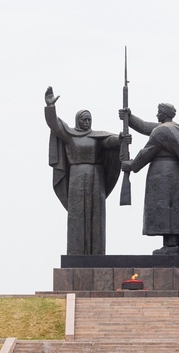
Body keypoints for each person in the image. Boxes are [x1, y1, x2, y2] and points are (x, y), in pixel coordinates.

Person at [120, 103, 179, 255]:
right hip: (173, 174)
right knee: (171, 208)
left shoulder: (162, 132)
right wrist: (129, 118)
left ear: (164, 114)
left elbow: (147, 152)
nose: (157, 115)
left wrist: (131, 165)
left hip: (165, 175)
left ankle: (171, 246)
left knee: (167, 209)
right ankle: (171, 245)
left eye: (158, 112)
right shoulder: (173, 129)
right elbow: (146, 127)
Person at [45, 86, 122, 255]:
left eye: (89, 120)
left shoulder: (97, 136)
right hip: (77, 177)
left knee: (97, 215)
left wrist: (120, 139)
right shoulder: (70, 135)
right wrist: (50, 107)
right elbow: (55, 125)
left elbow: (109, 141)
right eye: (84, 120)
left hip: (97, 177)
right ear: (78, 120)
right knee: (77, 215)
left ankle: (97, 252)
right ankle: (76, 252)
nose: (87, 123)